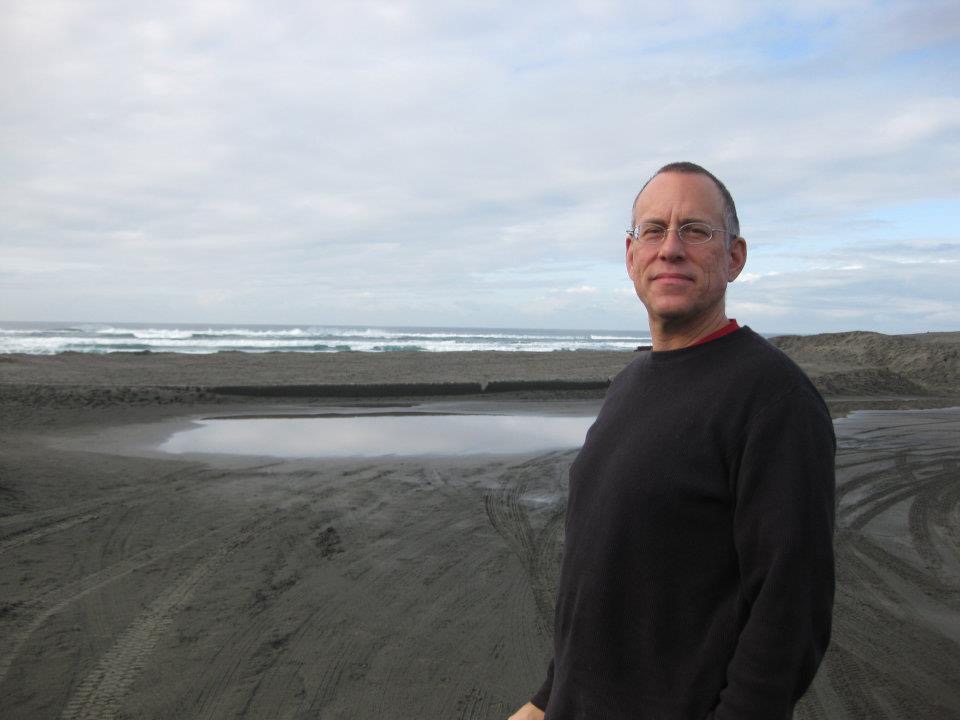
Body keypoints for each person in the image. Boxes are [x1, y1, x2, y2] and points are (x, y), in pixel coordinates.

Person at [508, 162, 836, 720]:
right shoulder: (630, 384)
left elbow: (791, 611)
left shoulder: (773, 399)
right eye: (654, 230)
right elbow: (607, 574)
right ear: (631, 255)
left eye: (697, 230)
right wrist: (547, 698)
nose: (671, 248)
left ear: (734, 257)